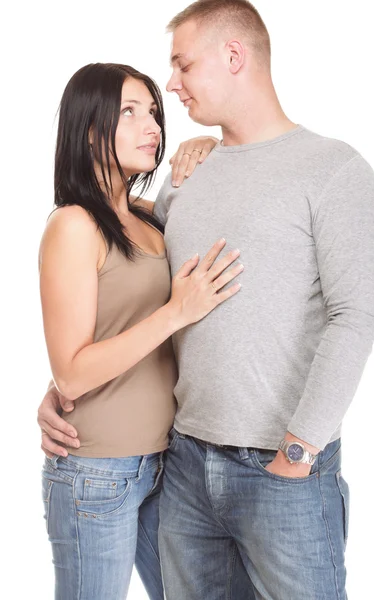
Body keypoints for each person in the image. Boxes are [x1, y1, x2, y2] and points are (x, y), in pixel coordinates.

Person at [40, 1, 374, 599]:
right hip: (182, 466)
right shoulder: (176, 183)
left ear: (233, 57)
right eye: (138, 107)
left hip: (276, 468)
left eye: (181, 67)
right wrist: (62, 390)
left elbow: (353, 319)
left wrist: (299, 453)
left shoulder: (331, 170)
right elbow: (121, 296)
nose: (170, 88)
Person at [39, 61, 245, 600]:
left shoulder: (146, 214)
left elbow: (242, 173)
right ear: (89, 129)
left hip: (166, 464)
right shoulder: (73, 225)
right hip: (96, 474)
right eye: (129, 112)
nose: (151, 126)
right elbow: (72, 373)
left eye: (153, 111)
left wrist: (203, 143)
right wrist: (177, 311)